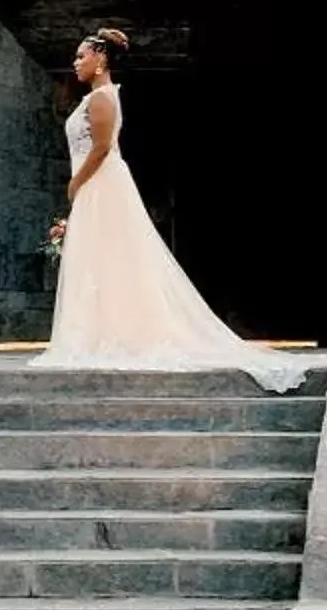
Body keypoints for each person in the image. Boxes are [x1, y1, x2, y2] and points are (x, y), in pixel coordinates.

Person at [35, 27, 307, 391]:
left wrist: (75, 182)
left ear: (100, 59)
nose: (76, 62)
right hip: (97, 184)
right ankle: (100, 328)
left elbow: (101, 148)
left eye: (81, 56)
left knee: (107, 255)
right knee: (100, 259)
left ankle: (112, 331)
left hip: (100, 182)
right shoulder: (97, 97)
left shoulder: (102, 98)